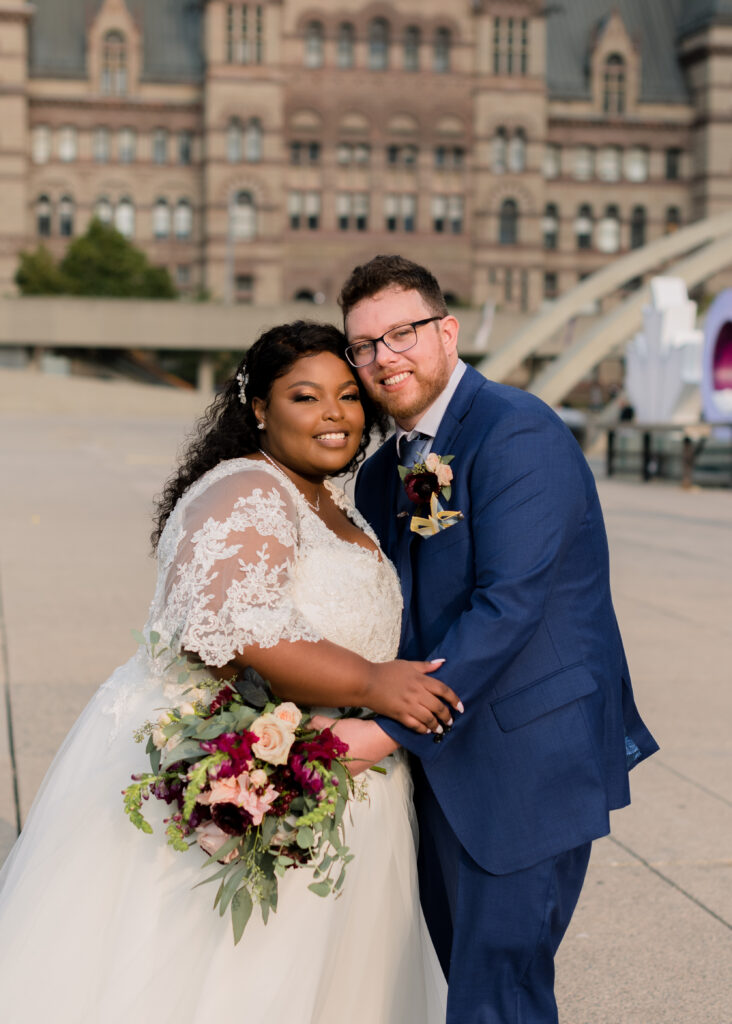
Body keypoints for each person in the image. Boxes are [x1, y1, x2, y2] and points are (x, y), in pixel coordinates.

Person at [0, 321, 459, 1023]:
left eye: (347, 395)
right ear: (259, 409)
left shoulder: (331, 503)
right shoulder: (248, 489)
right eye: (306, 396)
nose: (334, 413)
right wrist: (375, 684)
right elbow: (231, 628)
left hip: (335, 781)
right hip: (243, 773)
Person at [339, 255, 659, 1024]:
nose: (384, 357)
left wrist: (384, 729)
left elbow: (508, 606)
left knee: (498, 999)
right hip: (441, 770)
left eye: (403, 333)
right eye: (364, 344)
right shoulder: (383, 473)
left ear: (447, 332)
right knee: (473, 989)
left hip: (526, 763)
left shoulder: (518, 431)